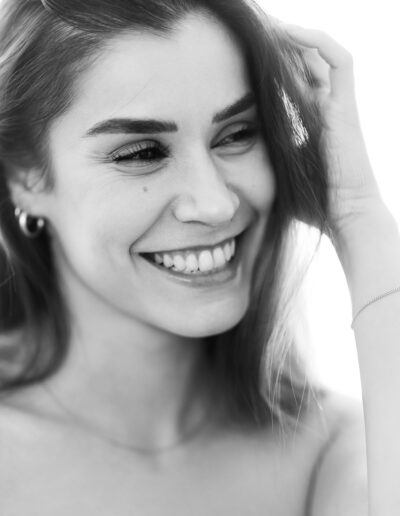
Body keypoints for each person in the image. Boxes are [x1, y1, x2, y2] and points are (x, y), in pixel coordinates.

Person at [0, 0, 398, 514]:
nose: (215, 204)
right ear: (24, 175)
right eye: (142, 153)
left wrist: (360, 219)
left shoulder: (334, 451)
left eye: (236, 135)